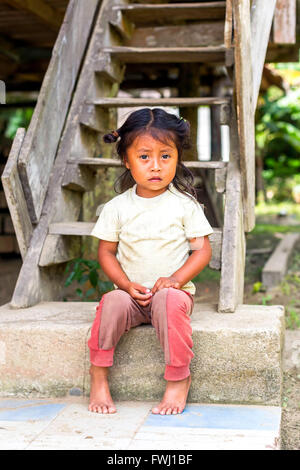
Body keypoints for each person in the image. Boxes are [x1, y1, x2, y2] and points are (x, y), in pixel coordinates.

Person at [88, 108, 214, 415]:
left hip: (173, 297)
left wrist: (175, 280)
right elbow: (106, 252)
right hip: (133, 297)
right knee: (111, 301)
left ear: (177, 158)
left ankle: (178, 379)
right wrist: (125, 284)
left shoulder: (185, 206)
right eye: (144, 157)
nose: (155, 166)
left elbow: (202, 250)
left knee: (169, 300)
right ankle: (99, 376)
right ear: (127, 161)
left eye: (165, 156)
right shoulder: (117, 207)